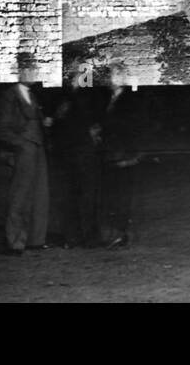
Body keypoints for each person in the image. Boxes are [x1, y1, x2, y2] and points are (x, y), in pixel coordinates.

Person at [0, 55, 53, 255]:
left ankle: (36, 240)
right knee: (19, 196)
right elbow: (3, 128)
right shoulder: (10, 96)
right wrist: (21, 145)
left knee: (39, 195)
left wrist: (44, 125)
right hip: (24, 150)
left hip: (38, 149)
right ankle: (15, 242)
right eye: (31, 69)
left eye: (36, 69)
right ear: (20, 71)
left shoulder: (33, 96)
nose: (35, 73)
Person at [53, 63, 102, 248]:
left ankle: (88, 236)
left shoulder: (87, 96)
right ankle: (72, 237)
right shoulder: (65, 96)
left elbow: (92, 119)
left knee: (86, 196)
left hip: (84, 151)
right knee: (70, 196)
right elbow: (59, 120)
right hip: (69, 152)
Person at [98, 62, 142, 248]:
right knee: (114, 196)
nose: (111, 79)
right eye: (110, 75)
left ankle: (121, 234)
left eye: (116, 75)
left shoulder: (130, 101)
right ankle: (116, 233)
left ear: (123, 78)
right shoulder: (110, 99)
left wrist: (129, 155)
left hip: (123, 156)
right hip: (113, 155)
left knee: (122, 197)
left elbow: (131, 128)